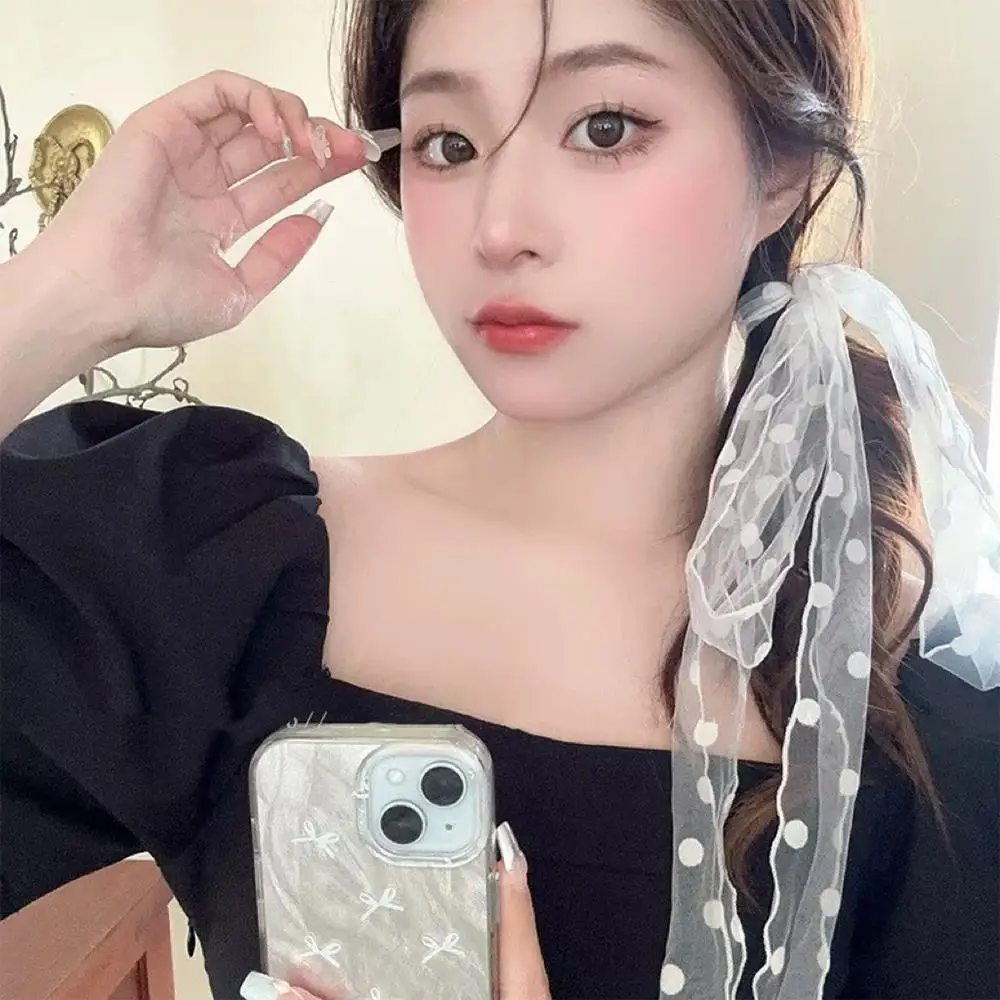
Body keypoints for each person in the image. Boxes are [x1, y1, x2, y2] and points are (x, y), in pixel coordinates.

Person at [2, 1, 998, 998]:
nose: (500, 229)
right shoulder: (214, 559)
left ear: (780, 170)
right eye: (448, 144)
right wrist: (66, 297)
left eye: (604, 128)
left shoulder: (915, 713)